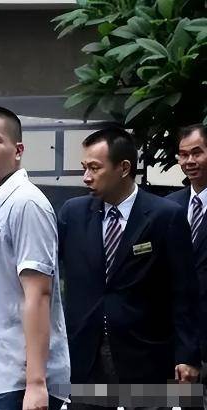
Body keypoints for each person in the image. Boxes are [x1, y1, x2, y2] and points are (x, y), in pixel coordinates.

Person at [58, 126, 201, 409]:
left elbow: (184, 292)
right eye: (84, 168)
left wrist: (187, 355)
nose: (86, 177)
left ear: (124, 168)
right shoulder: (72, 214)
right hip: (86, 355)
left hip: (148, 356)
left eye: (95, 168)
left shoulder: (164, 216)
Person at [0, 106, 70, 410]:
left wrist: (36, 385)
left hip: (22, 382)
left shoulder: (26, 204)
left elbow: (38, 294)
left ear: (18, 150)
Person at [165, 124, 207, 410]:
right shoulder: (168, 207)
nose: (189, 161)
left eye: (197, 153)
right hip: (178, 343)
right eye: (183, 154)